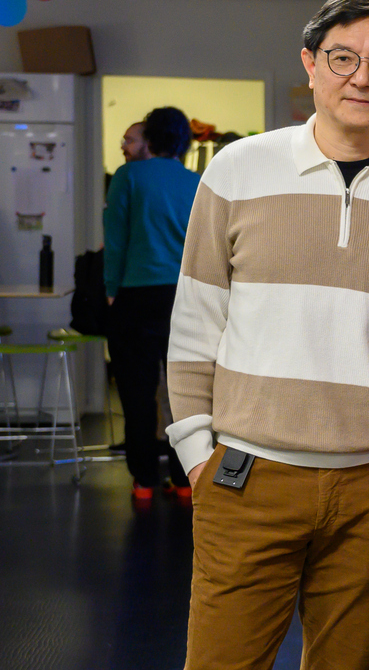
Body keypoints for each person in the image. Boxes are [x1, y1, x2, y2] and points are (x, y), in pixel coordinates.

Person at [165, 0, 369, 670]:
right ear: (309, 64)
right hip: (249, 477)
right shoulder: (238, 169)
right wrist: (198, 460)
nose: (361, 78)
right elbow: (194, 329)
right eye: (342, 57)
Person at [104, 106, 199, 501]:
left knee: (137, 391)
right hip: (186, 298)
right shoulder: (198, 182)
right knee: (185, 393)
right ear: (185, 141)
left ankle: (143, 481)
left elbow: (116, 240)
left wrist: (112, 290)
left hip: (135, 296)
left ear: (150, 139)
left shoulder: (128, 177)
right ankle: (183, 480)